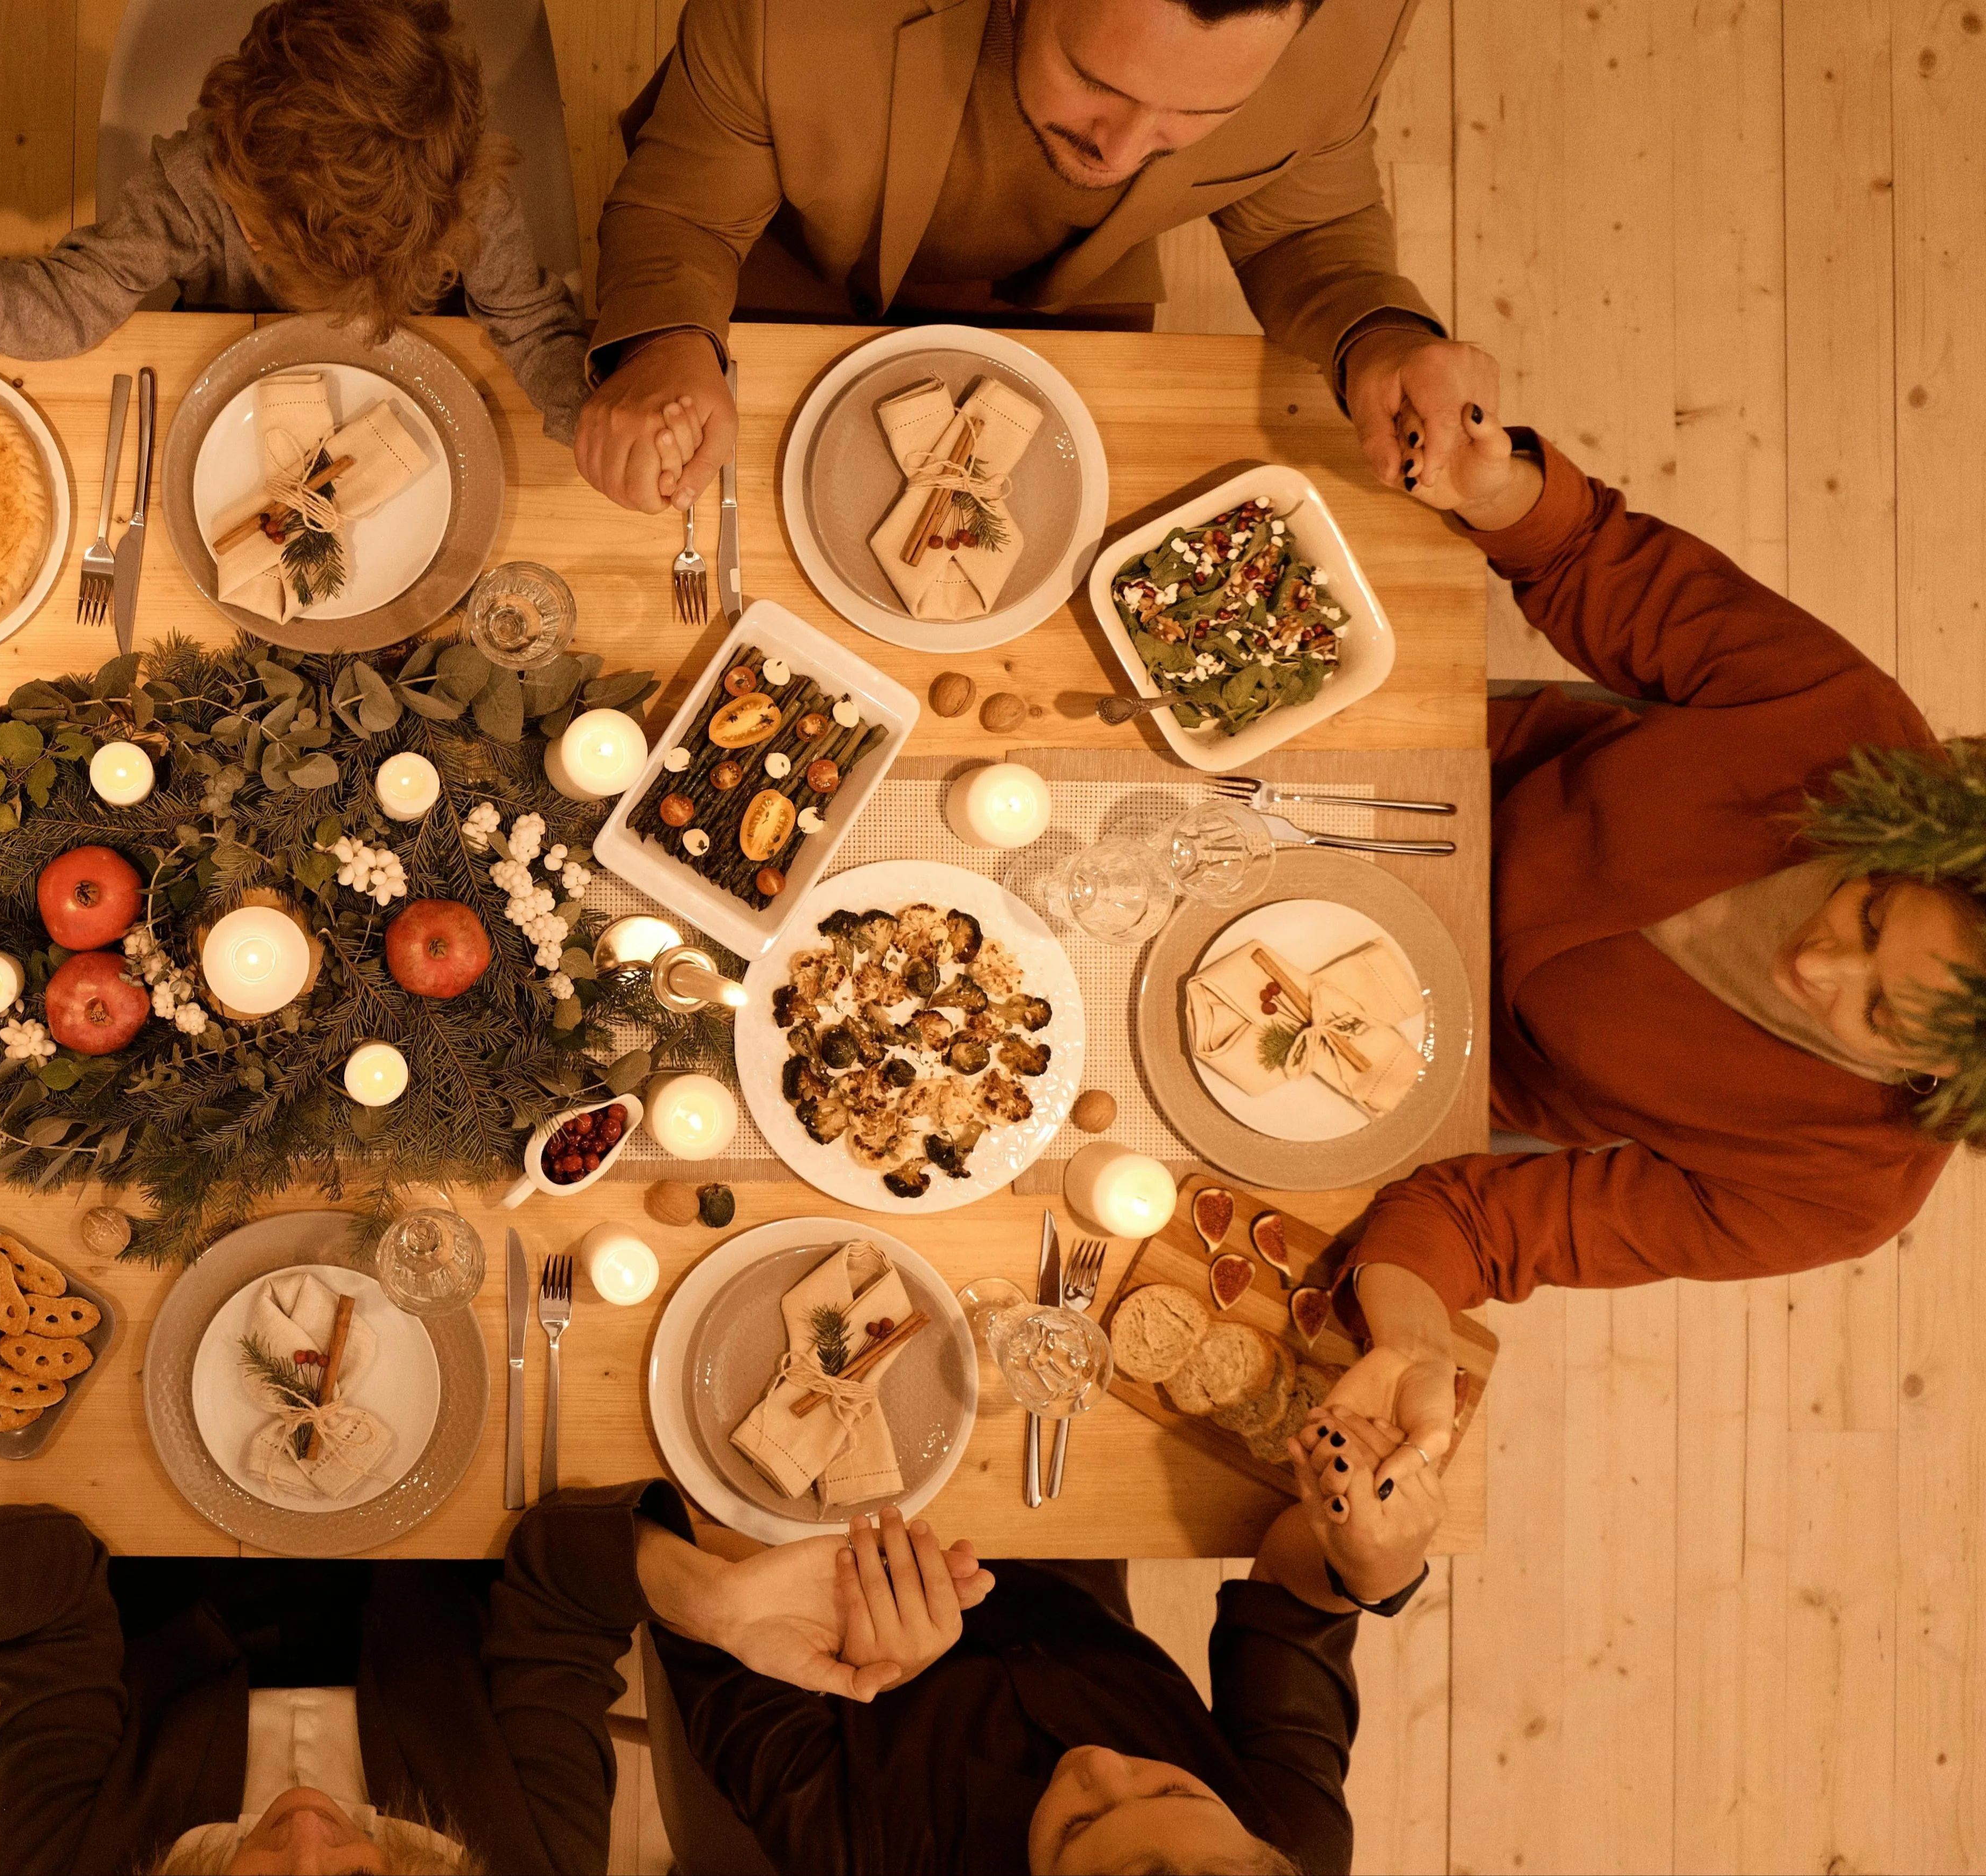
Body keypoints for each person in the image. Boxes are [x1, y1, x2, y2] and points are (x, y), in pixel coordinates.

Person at [1318, 409, 1982, 1470]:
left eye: (1874, 1012)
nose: (1814, 964)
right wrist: (1497, 487)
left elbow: (1493, 1227)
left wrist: (1409, 1334)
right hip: (1406, 788)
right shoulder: (1855, 734)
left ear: (1938, 1075)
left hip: (1382, 1047)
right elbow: (1595, 558)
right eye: (1866, 913)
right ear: (1923, 849)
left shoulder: (1842, 1187)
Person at [574, 0, 1497, 511]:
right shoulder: (794, 13)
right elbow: (684, 214)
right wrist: (663, 345)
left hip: (1076, 312)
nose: (1123, 153)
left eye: (1198, 115)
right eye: (1097, 83)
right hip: (775, 270)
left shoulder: (1358, 23)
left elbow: (1304, 225)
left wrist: (1377, 333)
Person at [0, 1494, 664, 1874]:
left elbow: (53, 1595)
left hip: (161, 1566)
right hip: (428, 1558)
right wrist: (705, 1597)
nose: (306, 1833)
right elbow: (563, 1586)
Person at [594, 1411, 1433, 1874]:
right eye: (1178, 1794)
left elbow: (682, 1591)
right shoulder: (1296, 1844)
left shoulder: (859, 1856)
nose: (1099, 1762)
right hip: (1053, 1523)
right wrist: (1369, 1563)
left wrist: (844, 1644)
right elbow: (1292, 1585)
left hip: (783, 1515)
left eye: (1078, 1828)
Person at [0, 0, 591, 439]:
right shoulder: (201, 179)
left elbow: (531, 327)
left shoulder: (468, 197)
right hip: (230, 390)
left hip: (436, 399)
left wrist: (593, 416)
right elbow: (77, 296)